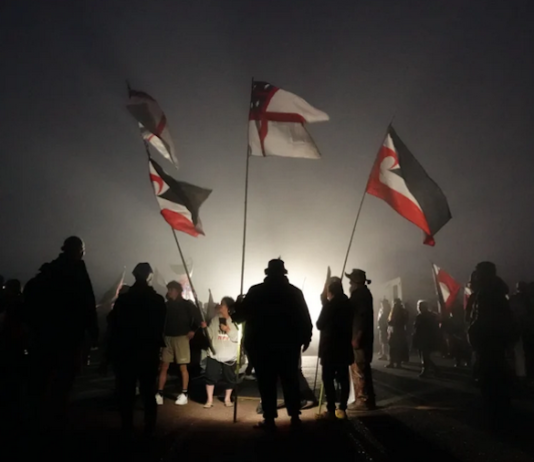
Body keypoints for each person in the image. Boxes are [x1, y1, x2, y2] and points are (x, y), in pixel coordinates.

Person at [24, 236, 98, 434]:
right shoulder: (77, 272)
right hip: (68, 337)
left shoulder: (48, 271)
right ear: (78, 251)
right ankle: (54, 422)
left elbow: (29, 299)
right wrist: (94, 334)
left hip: (45, 335)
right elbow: (88, 304)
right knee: (62, 382)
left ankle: (39, 420)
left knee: (43, 379)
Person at [233, 259, 313, 431]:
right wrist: (306, 338)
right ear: (284, 273)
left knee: (266, 382)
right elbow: (305, 318)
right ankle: (294, 417)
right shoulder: (294, 292)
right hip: (288, 345)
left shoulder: (256, 292)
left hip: (262, 345)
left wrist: (238, 304)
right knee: (290, 381)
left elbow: (238, 318)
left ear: (267, 273)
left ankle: (269, 419)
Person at [107, 263, 166, 436]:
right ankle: (149, 428)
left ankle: (127, 426)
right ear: (149, 276)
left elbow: (114, 324)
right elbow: (160, 325)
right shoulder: (156, 300)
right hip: (147, 350)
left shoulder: (124, 300)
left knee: (126, 391)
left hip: (126, 349)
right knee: (148, 390)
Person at [467, 261, 514, 416]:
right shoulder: (496, 291)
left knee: (489, 376)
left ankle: (495, 412)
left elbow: (483, 319)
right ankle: (500, 406)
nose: (476, 276)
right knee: (496, 373)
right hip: (496, 339)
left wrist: (473, 334)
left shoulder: (487, 293)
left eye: (478, 272)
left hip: (489, 340)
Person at [156, 280, 201, 406]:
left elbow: (198, 319)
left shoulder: (187, 305)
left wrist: (193, 330)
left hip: (182, 337)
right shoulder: (167, 305)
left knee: (183, 366)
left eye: (171, 289)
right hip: (168, 337)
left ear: (178, 291)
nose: (169, 292)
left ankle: (184, 393)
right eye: (168, 289)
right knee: (164, 365)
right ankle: (159, 392)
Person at [316, 277, 353, 420]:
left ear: (331, 292)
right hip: (344, 346)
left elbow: (320, 324)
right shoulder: (348, 304)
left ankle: (331, 408)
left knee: (328, 378)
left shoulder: (330, 305)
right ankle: (342, 407)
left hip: (330, 347)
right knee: (344, 378)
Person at [345, 269, 376, 411]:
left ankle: (363, 400)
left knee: (360, 367)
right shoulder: (363, 293)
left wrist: (357, 336)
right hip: (361, 336)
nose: (349, 283)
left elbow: (362, 318)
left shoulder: (360, 295)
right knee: (359, 367)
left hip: (360, 338)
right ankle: (362, 398)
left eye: (351, 281)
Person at [201, 297, 239, 408]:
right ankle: (209, 400)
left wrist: (228, 329)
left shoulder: (235, 321)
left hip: (230, 356)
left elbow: (237, 338)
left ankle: (227, 399)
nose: (220, 306)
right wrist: (205, 329)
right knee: (210, 376)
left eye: (222, 304)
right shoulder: (215, 319)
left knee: (230, 378)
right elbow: (210, 335)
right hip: (214, 354)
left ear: (228, 307)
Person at [412, 300, 440, 377]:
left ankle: (427, 370)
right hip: (426, 337)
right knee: (423, 355)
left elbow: (417, 327)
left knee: (424, 355)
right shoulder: (431, 315)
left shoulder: (421, 316)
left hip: (424, 338)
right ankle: (434, 369)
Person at [387, 299, 409, 368]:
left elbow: (392, 322)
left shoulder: (397, 311)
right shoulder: (402, 311)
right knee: (397, 348)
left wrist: (391, 323)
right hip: (398, 331)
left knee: (394, 348)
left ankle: (394, 362)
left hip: (396, 332)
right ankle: (396, 363)